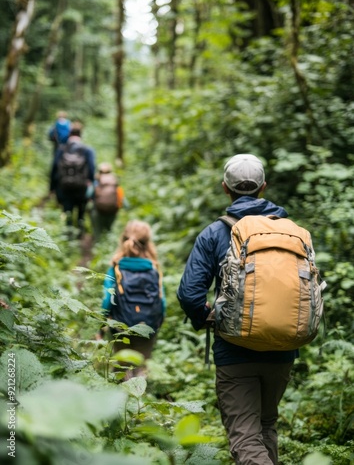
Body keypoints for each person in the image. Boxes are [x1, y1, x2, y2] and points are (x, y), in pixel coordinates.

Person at [177, 154, 298, 465]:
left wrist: (212, 318)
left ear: (225, 189)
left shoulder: (216, 234)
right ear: (264, 187)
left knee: (244, 435)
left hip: (235, 351)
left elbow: (189, 294)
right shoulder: (291, 231)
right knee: (266, 425)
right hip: (283, 347)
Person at [99, 220, 166, 380]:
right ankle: (139, 398)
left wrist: (101, 326)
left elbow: (107, 300)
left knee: (122, 366)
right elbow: (162, 302)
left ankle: (122, 399)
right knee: (141, 366)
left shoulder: (116, 268)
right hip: (147, 326)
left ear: (123, 240)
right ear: (147, 244)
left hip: (121, 326)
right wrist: (157, 323)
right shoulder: (153, 268)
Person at [50, 121, 95, 236]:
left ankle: (68, 236)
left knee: (67, 211)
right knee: (81, 211)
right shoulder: (87, 150)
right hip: (82, 187)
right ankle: (80, 232)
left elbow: (54, 169)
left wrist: (52, 188)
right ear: (81, 134)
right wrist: (91, 184)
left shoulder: (61, 149)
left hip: (64, 187)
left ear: (69, 134)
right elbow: (91, 168)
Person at [89, 162, 128, 240]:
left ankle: (97, 247)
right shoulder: (114, 182)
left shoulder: (96, 182)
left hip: (98, 211)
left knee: (97, 231)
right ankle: (108, 247)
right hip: (112, 211)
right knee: (109, 231)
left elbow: (88, 194)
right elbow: (125, 202)